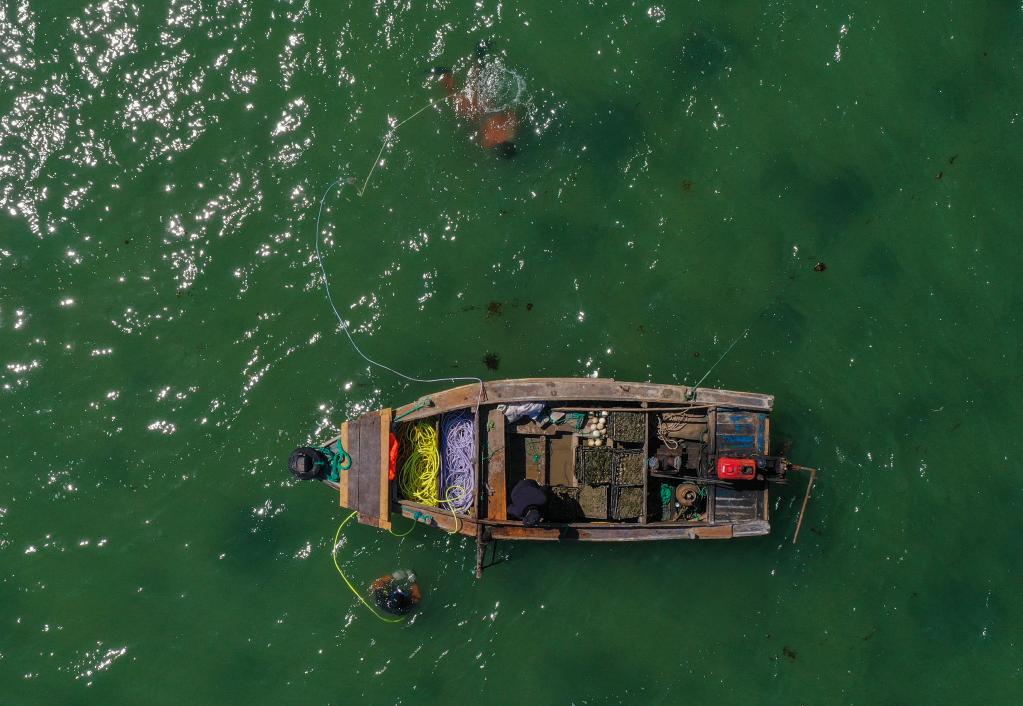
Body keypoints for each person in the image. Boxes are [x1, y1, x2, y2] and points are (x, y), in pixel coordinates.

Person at [429, 40, 522, 158]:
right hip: (475, 112)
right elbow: (476, 133)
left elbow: (512, 113)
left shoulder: (512, 130)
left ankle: (479, 53)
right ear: (499, 149)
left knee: (477, 79)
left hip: (488, 104)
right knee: (452, 93)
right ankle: (446, 74)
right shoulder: (488, 142)